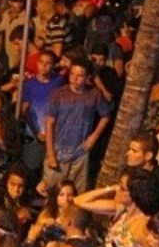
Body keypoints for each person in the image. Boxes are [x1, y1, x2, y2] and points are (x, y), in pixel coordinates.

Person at [43, 59, 111, 191]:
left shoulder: (94, 94)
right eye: (72, 74)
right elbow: (49, 123)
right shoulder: (58, 94)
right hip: (58, 150)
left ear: (87, 78)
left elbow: (106, 115)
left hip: (80, 151)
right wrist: (51, 153)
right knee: (53, 191)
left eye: (79, 76)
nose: (74, 78)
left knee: (77, 192)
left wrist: (94, 136)